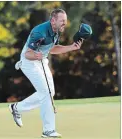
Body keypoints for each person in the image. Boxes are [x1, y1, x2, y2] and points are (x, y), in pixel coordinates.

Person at [8, 9, 83, 138]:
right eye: (62, 21)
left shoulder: (56, 31)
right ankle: (48, 130)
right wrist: (36, 56)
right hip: (29, 62)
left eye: (65, 20)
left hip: (41, 59)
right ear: (53, 20)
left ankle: (17, 108)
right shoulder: (39, 32)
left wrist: (71, 47)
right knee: (46, 93)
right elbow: (28, 54)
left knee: (49, 93)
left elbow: (52, 48)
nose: (65, 23)